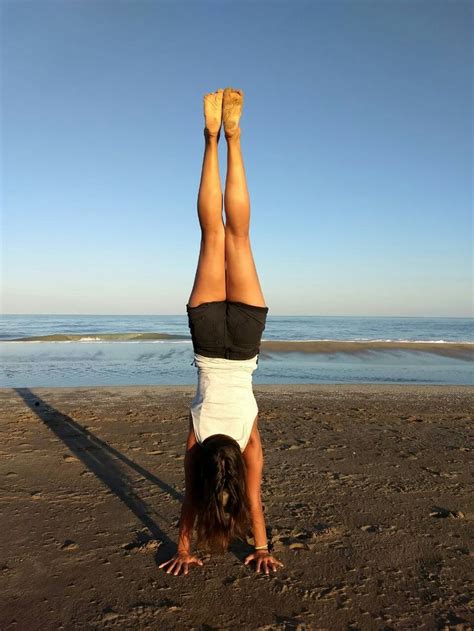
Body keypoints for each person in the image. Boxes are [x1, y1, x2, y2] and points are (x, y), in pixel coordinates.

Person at [159, 88, 284, 576]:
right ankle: (212, 137)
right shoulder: (198, 439)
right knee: (214, 234)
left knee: (238, 234)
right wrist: (183, 547)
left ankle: (234, 136)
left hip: (246, 339)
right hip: (209, 340)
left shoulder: (247, 438)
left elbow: (253, 500)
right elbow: (192, 501)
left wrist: (263, 546)